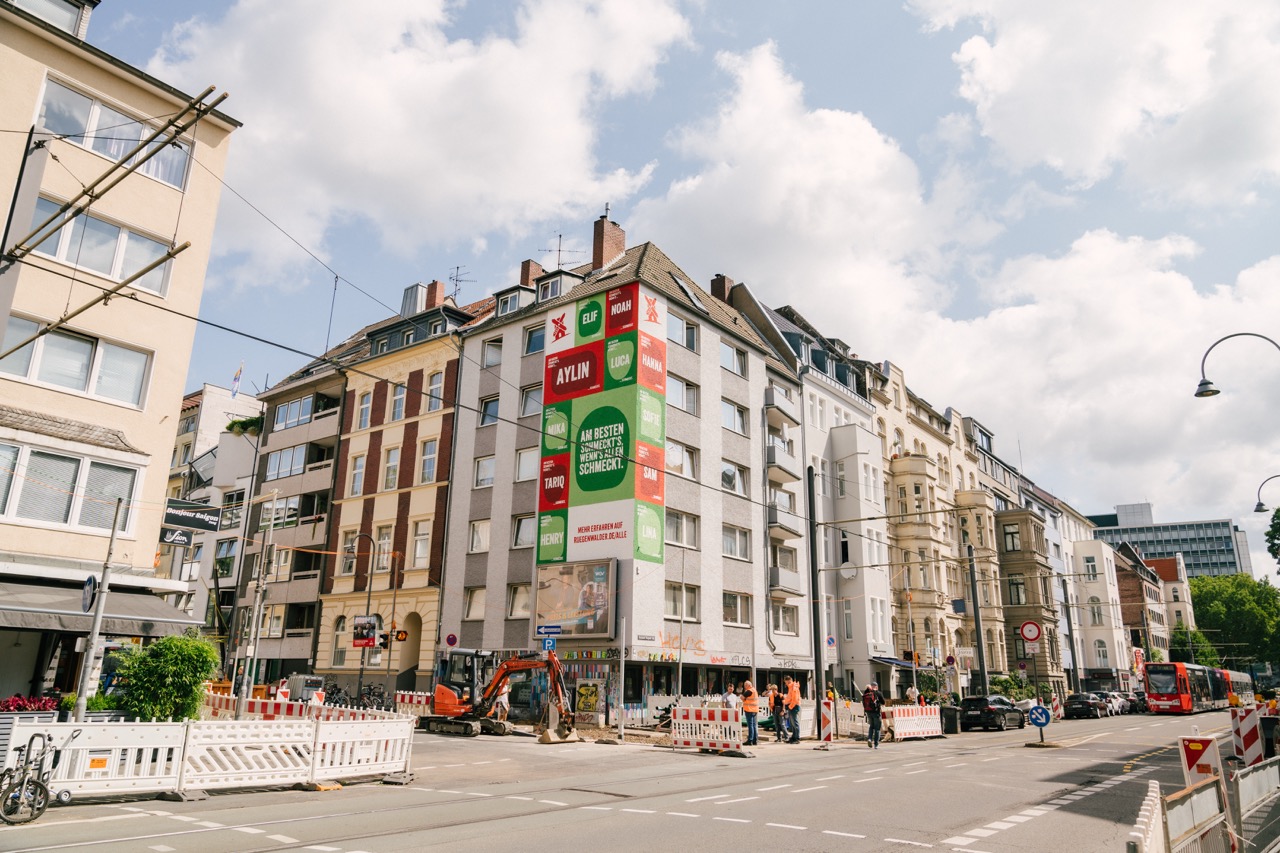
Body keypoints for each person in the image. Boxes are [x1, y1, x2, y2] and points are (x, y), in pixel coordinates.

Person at [862, 682, 884, 749]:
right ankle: (876, 744)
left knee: (871, 726)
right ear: (876, 687)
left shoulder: (866, 693)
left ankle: (869, 739)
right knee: (877, 728)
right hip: (876, 713)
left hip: (868, 712)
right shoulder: (878, 693)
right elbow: (883, 702)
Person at [740, 680, 759, 746]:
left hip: (749, 709)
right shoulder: (754, 690)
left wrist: (744, 699)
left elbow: (741, 697)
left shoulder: (749, 691)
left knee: (750, 725)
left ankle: (750, 740)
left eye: (745, 685)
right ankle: (755, 740)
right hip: (755, 710)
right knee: (754, 725)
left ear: (748, 685)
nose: (745, 687)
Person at [784, 675, 802, 743]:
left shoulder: (793, 688)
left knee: (794, 722)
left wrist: (790, 706)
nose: (786, 684)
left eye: (786, 682)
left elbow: (795, 699)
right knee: (793, 723)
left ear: (788, 681)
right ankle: (794, 737)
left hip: (793, 706)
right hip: (792, 706)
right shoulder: (792, 687)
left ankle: (797, 738)